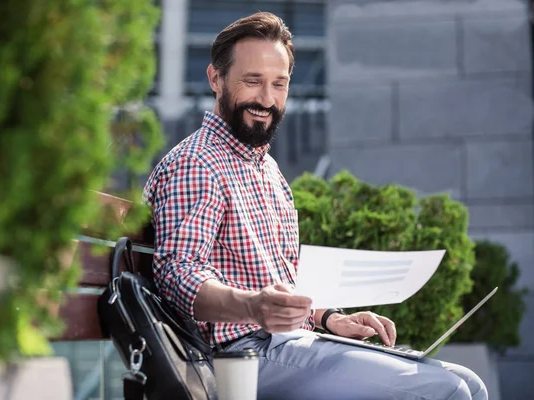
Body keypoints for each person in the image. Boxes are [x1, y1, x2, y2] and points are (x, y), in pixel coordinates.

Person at [143, 11, 487, 400]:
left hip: (286, 344)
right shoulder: (197, 163)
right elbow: (177, 276)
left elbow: (280, 292)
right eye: (252, 81)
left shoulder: (267, 170)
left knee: (470, 383)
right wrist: (253, 307)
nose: (267, 99)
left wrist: (329, 318)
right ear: (216, 79)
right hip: (235, 357)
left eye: (280, 84)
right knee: (449, 390)